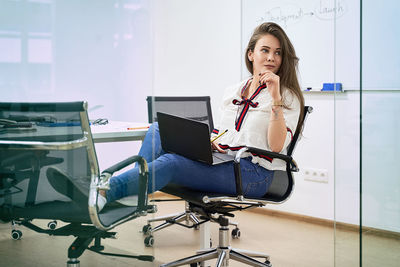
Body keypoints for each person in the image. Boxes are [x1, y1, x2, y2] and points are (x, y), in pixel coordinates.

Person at [49, 22, 305, 211]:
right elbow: (228, 131)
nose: (271, 57)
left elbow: (275, 146)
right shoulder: (235, 90)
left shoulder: (288, 96)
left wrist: (275, 100)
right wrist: (212, 141)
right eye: (265, 50)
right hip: (223, 159)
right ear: (251, 54)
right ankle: (124, 188)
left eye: (278, 52)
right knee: (157, 129)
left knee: (172, 162)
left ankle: (106, 190)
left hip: (252, 173)